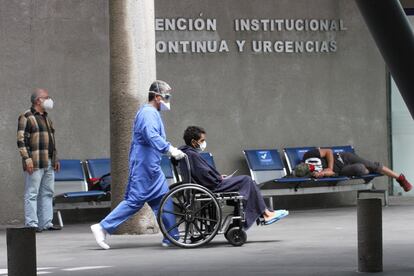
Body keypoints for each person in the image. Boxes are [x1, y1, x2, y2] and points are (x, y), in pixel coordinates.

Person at [91, 80, 185, 250]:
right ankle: (102, 227)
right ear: (157, 97)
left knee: (163, 199)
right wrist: (169, 149)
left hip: (151, 167)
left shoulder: (152, 113)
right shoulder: (148, 113)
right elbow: (151, 135)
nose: (169, 100)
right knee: (135, 201)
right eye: (167, 96)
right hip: (143, 166)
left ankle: (172, 236)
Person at [179, 126, 289, 230]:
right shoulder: (192, 154)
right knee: (247, 180)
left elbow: (202, 173)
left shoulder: (187, 153)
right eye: (202, 141)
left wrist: (218, 177)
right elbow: (204, 174)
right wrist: (219, 179)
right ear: (194, 142)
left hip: (207, 184)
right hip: (212, 186)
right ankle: (266, 214)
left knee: (247, 182)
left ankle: (266, 213)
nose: (204, 143)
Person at [17, 88, 61, 232]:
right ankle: (32, 224)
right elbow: (21, 140)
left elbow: (52, 141)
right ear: (38, 100)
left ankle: (46, 223)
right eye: (46, 97)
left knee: (48, 193)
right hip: (34, 162)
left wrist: (55, 159)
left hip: (48, 161)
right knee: (32, 193)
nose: (49, 99)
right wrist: (27, 160)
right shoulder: (26, 116)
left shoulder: (47, 118)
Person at [294, 148, 412, 192]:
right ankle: (370, 171)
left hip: (343, 157)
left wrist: (329, 166)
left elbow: (328, 151)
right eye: (309, 170)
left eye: (309, 166)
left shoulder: (309, 154)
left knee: (373, 165)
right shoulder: (314, 174)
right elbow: (332, 173)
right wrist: (323, 173)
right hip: (342, 170)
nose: (311, 168)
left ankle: (400, 178)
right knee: (360, 168)